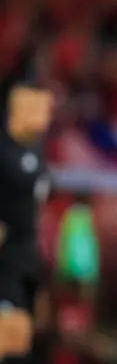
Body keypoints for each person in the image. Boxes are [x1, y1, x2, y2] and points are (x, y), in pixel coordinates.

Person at [0, 83, 54, 362]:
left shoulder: (38, 151)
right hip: (6, 253)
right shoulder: (4, 151)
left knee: (26, 331)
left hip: (27, 253)